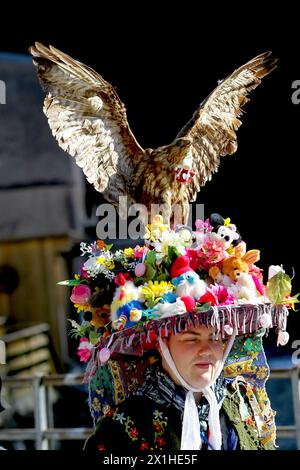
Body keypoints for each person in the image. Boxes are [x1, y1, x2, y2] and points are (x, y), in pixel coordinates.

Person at [84, 322, 275, 451]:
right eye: (191, 339)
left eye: (215, 338)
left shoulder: (243, 402)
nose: (206, 350)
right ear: (162, 344)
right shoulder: (124, 424)